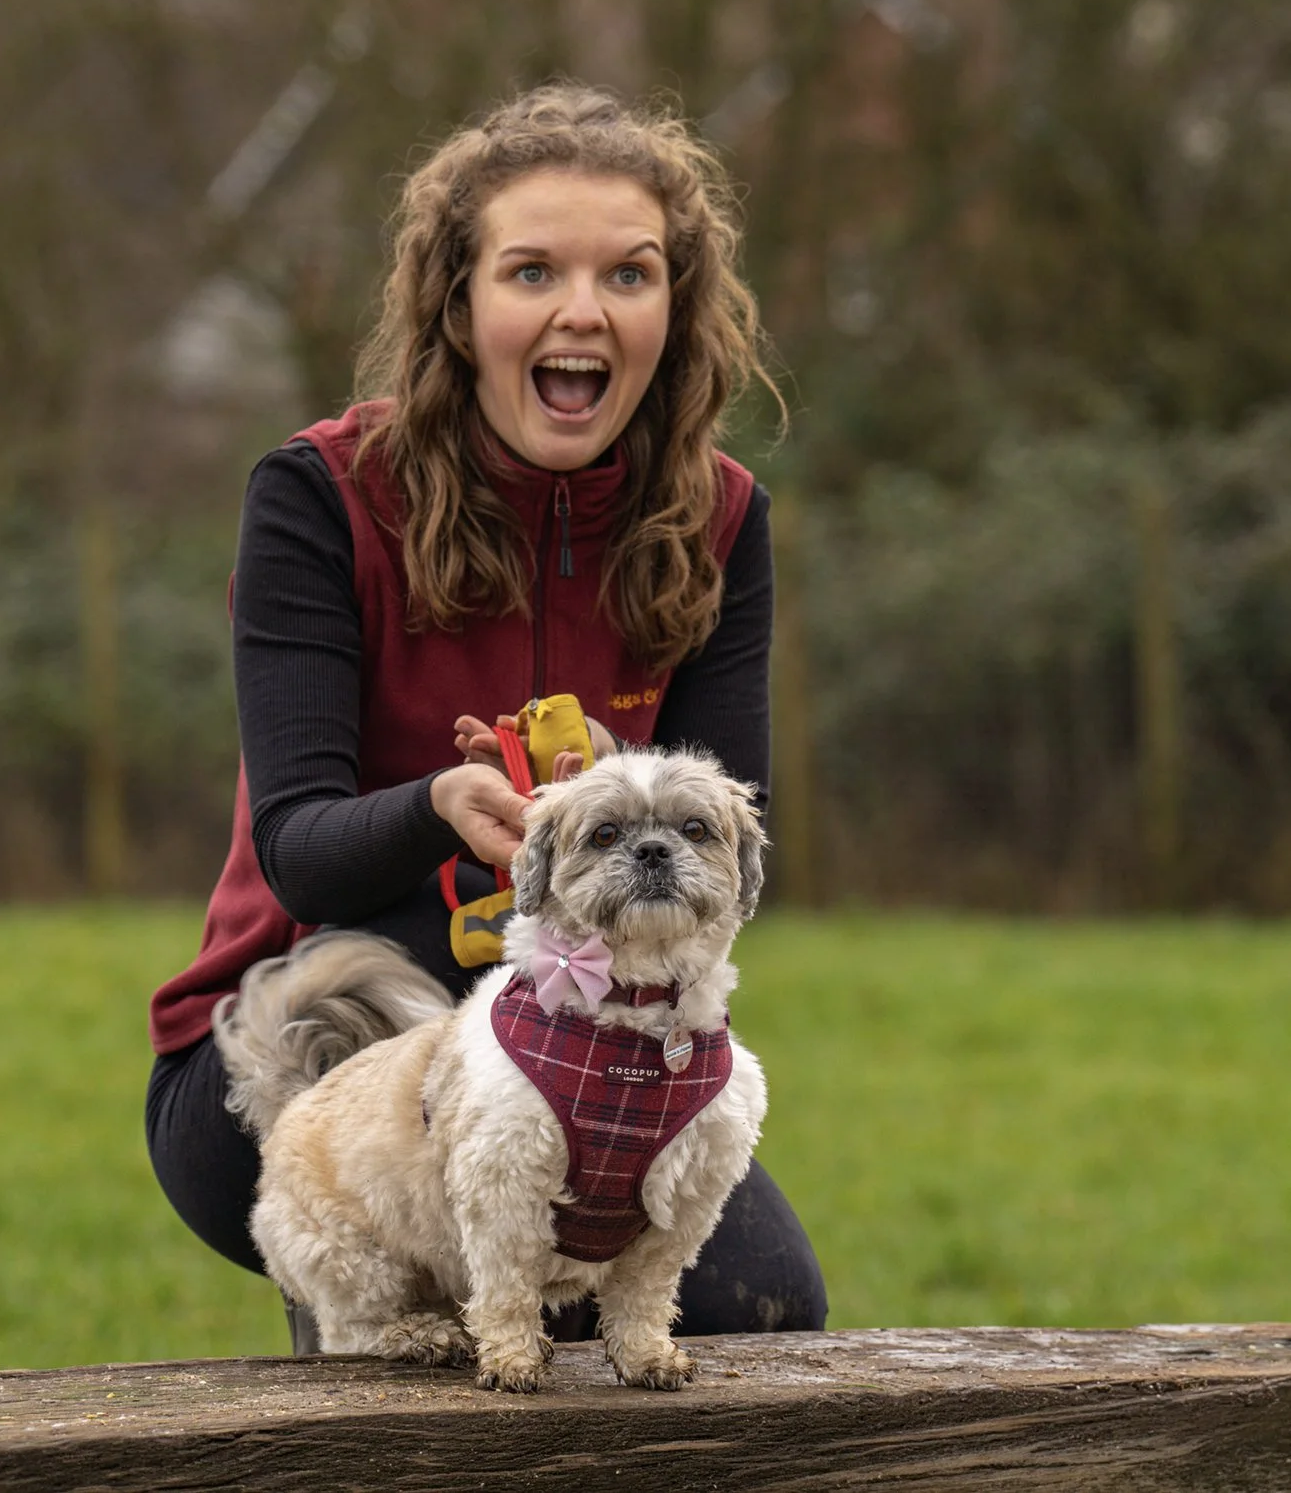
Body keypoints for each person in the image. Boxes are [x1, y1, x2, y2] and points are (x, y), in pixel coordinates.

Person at [144, 82, 827, 1340]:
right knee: (464, 1324)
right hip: (294, 1029)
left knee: (759, 1314)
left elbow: (734, 830)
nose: (582, 309)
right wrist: (440, 809)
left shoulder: (722, 518)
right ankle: (359, 1331)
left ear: (672, 312)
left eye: (629, 274)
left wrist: (618, 817)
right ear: (458, 306)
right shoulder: (321, 495)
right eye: (531, 272)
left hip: (583, 1030)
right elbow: (297, 844)